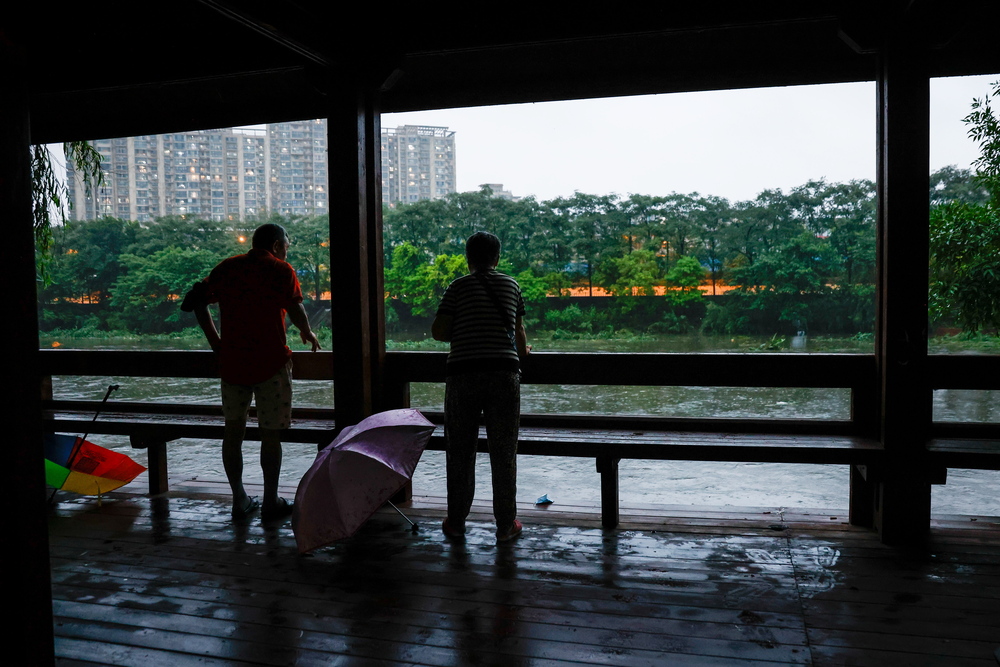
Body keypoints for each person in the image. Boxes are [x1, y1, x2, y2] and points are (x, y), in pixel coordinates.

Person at [182, 223, 321, 521]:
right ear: (275, 245)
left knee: (233, 433)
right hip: (271, 363)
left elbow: (196, 302)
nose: (287, 250)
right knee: (271, 436)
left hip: (232, 365)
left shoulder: (227, 268)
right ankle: (271, 501)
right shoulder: (281, 271)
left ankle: (239, 499)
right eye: (286, 244)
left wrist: (216, 343)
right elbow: (295, 309)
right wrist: (307, 333)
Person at [432, 231, 530, 542]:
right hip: (504, 374)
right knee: (504, 451)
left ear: (468, 258)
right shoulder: (511, 285)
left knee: (460, 451)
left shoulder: (458, 287)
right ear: (497, 258)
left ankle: (457, 521)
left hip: (463, 375)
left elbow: (439, 332)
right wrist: (522, 353)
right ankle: (505, 525)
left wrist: (465, 329)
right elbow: (519, 332)